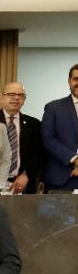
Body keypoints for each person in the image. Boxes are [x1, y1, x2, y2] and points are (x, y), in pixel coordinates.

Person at [0, 82, 44, 194]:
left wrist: (26, 174)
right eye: (11, 94)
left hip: (24, 184)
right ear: (2, 98)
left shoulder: (34, 124)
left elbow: (39, 154)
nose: (16, 98)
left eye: (21, 95)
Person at [40, 63, 78, 192]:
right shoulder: (53, 108)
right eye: (76, 79)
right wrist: (75, 159)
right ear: (69, 81)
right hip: (60, 180)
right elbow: (47, 139)